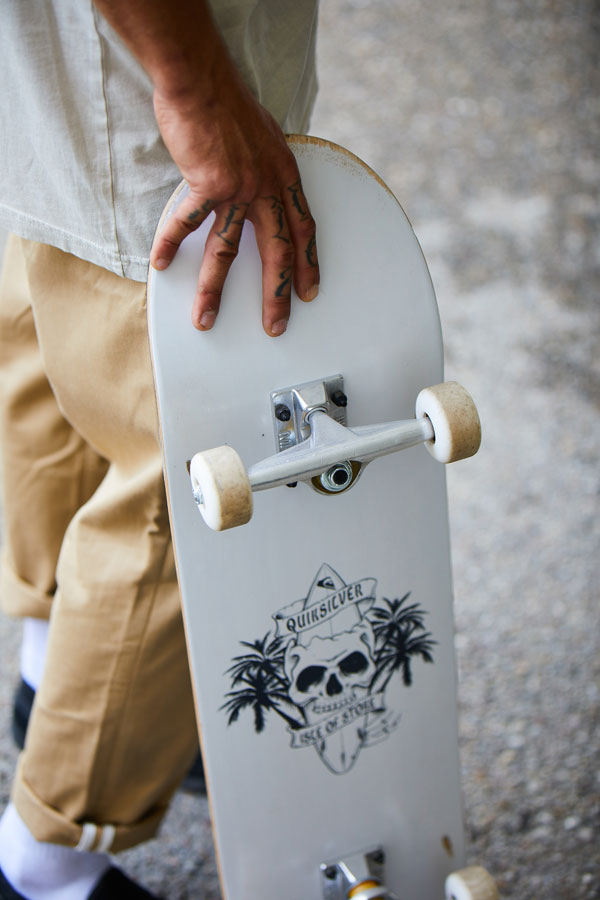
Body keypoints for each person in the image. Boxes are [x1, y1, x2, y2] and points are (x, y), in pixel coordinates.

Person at [0, 1, 319, 897]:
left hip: (85, 61)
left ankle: (51, 679)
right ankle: (48, 865)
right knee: (189, 472)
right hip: (164, 71)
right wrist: (196, 91)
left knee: (57, 314)